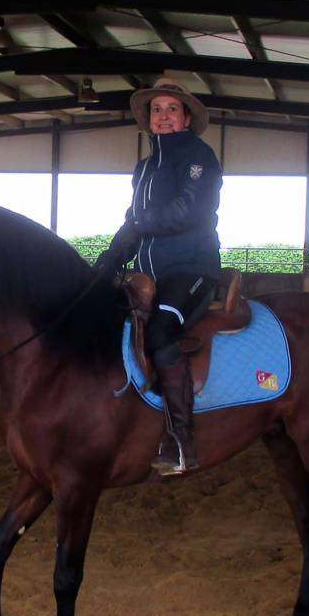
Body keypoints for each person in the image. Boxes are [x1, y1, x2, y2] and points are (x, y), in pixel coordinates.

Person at [94, 76, 223, 475]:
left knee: (162, 330)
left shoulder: (199, 157)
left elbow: (188, 212)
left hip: (192, 268)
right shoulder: (145, 167)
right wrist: (105, 264)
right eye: (156, 110)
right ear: (149, 119)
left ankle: (181, 440)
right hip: (149, 273)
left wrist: (139, 222)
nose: (163, 116)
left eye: (172, 109)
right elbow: (132, 222)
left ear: (186, 118)